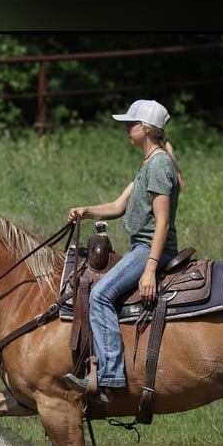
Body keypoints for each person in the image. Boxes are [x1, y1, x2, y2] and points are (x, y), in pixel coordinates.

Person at [63, 99, 183, 399]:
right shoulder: (148, 164)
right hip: (142, 247)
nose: (127, 129)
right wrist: (85, 210)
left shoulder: (158, 165)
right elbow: (119, 206)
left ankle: (111, 377)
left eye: (131, 124)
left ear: (146, 128)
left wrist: (151, 268)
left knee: (101, 295)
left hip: (149, 248)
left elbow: (163, 221)